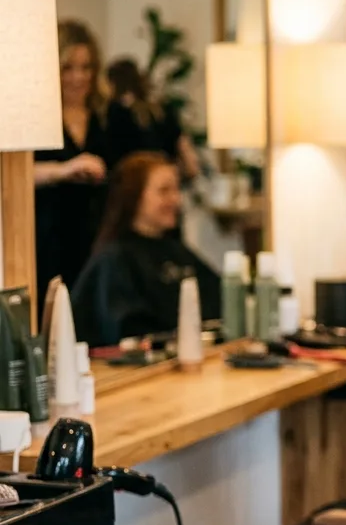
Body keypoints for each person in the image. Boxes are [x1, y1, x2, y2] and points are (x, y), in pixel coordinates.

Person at [70, 152, 221, 347]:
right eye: (164, 190)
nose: (176, 199)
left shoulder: (178, 252)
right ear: (133, 195)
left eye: (176, 189)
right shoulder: (115, 259)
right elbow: (129, 330)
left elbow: (219, 303)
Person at [34, 20, 112, 309]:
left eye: (86, 67)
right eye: (68, 68)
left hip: (98, 241)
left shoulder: (107, 116)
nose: (78, 77)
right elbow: (17, 177)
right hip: (51, 240)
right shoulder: (36, 119)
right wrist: (64, 170)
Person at [105, 57, 201, 181]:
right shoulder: (162, 110)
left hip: (135, 183)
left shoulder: (115, 112)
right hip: (164, 178)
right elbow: (186, 152)